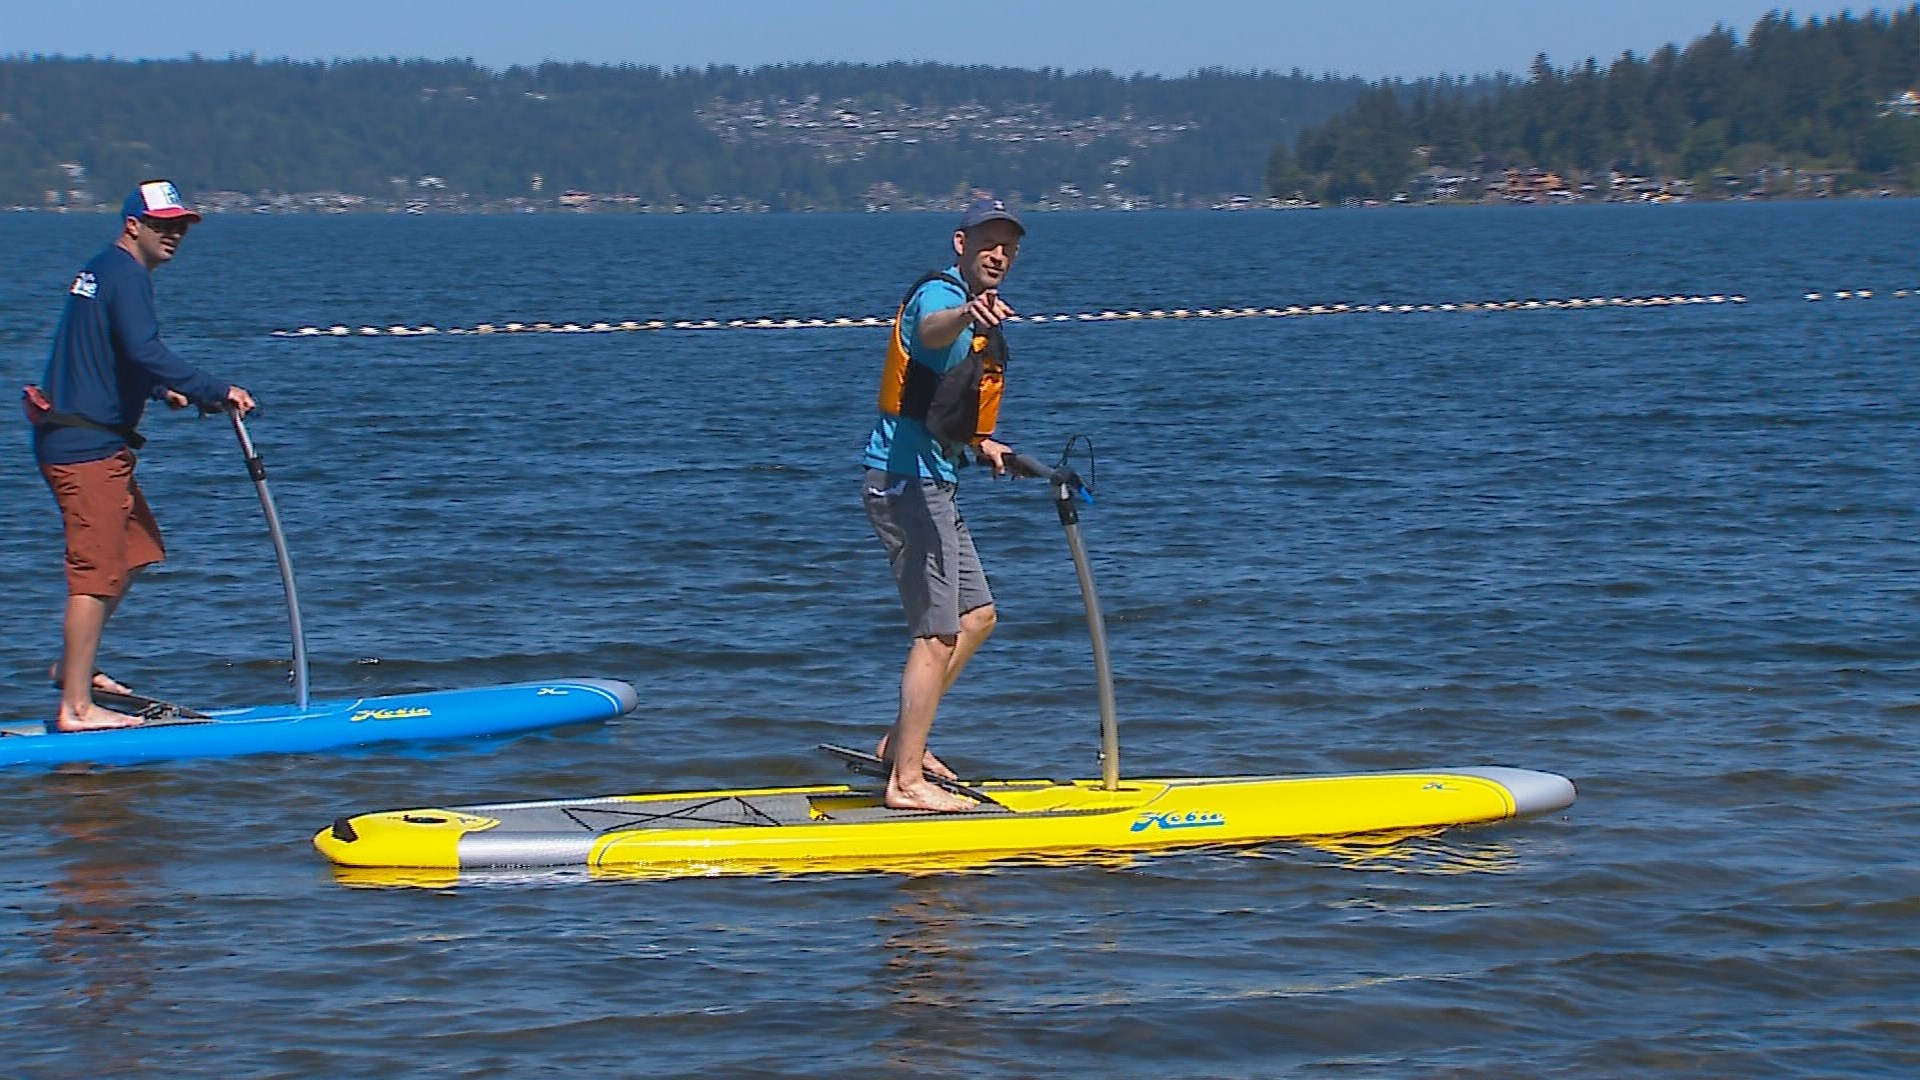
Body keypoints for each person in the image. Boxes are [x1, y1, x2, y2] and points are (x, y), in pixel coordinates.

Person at [25, 179, 256, 732]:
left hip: (87, 439)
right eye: (162, 225)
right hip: (85, 449)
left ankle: (71, 668)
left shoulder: (103, 269)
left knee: (133, 552)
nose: (173, 235)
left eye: (180, 226)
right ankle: (76, 709)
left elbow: (110, 356)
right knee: (95, 575)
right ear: (134, 225)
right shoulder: (126, 275)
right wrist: (214, 389)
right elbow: (144, 350)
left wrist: (160, 391)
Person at [861, 196, 1024, 811]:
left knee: (977, 617)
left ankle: (901, 742)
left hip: (934, 478)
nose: (998, 253)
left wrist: (981, 444)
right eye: (987, 241)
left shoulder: (976, 310)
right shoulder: (942, 298)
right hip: (904, 485)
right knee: (937, 633)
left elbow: (939, 402)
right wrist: (967, 314)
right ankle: (906, 782)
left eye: (1008, 245)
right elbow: (932, 330)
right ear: (961, 244)